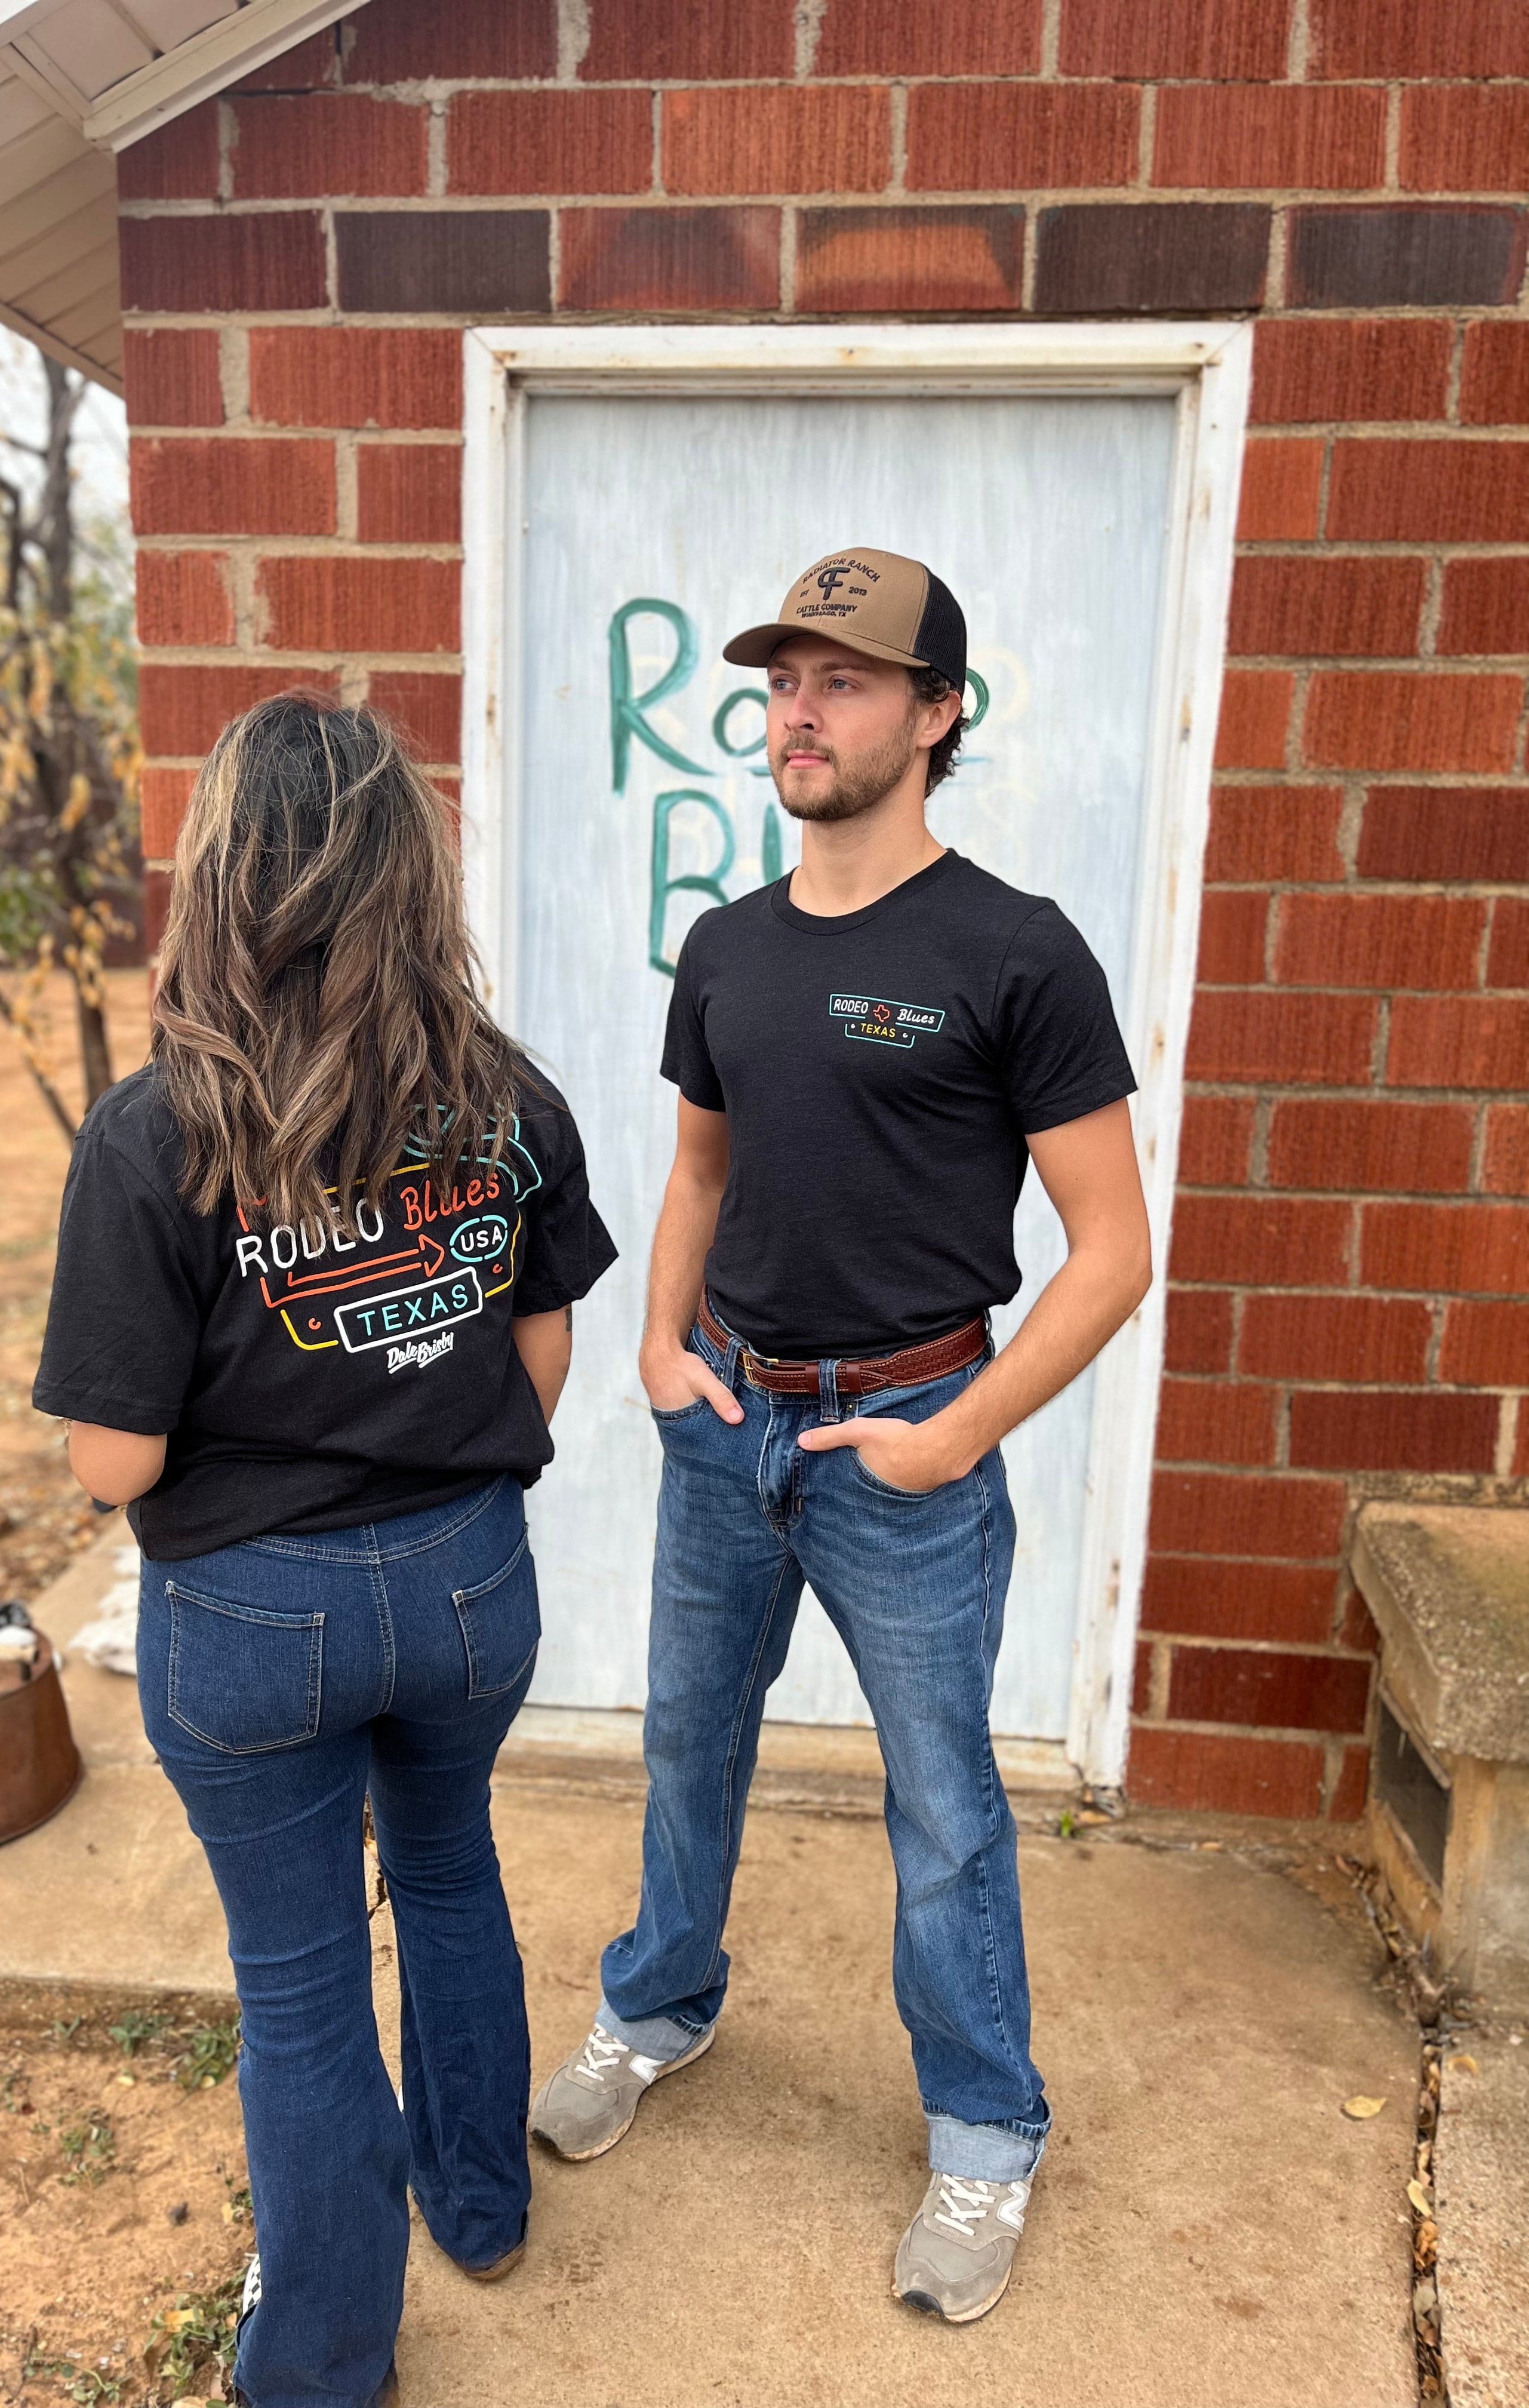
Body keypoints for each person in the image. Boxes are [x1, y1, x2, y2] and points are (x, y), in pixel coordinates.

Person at [530, 548, 1152, 2327]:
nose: (799, 710)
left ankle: (982, 2131)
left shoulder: (1016, 951)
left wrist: (956, 1435)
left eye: (848, 679)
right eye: (785, 680)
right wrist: (656, 1342)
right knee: (686, 1752)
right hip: (727, 1420)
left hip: (906, 1442)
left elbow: (1113, 1253)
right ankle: (657, 2005)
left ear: (939, 714)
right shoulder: (727, 945)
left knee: (947, 1807)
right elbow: (704, 1168)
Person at [33, 694, 617, 2408]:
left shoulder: (153, 1138)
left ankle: (322, 2369)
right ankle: (484, 2206)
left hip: (248, 1620)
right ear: (405, 879)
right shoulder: (504, 1100)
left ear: (222, 880)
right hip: (463, 1587)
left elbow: (111, 1460)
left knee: (297, 1996)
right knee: (448, 1875)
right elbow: (543, 1351)